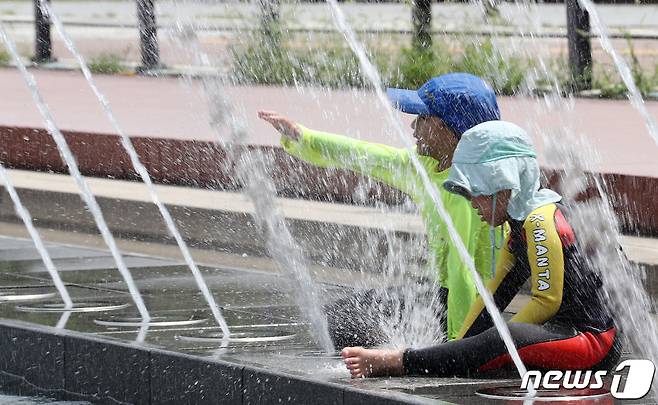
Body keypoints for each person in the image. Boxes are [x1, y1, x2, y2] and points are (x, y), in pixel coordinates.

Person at [340, 120, 620, 378]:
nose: (472, 202)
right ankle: (439, 356)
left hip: (593, 341)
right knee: (494, 337)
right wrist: (460, 346)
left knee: (504, 337)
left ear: (506, 185)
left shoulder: (539, 221)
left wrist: (495, 344)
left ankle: (397, 362)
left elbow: (547, 301)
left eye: (477, 190)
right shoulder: (517, 226)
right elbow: (493, 297)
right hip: (560, 333)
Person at [258, 73, 502, 344]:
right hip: (442, 295)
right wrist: (304, 137)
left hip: (475, 310)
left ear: (448, 129)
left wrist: (458, 348)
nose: (413, 127)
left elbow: (463, 274)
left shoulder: (468, 191)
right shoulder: (427, 166)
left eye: (423, 119)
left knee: (346, 325)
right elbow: (367, 156)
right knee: (339, 320)